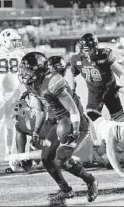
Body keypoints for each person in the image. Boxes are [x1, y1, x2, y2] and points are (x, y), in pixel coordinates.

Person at [18, 52, 98, 203]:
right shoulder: (31, 84)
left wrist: (75, 129)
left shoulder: (53, 81)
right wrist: (36, 131)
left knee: (62, 160)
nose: (25, 73)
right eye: (23, 69)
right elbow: (41, 109)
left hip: (75, 122)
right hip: (59, 122)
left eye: (28, 70)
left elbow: (73, 109)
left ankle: (91, 181)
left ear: (40, 69)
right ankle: (66, 190)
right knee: (46, 158)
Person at [69, 33, 124, 121]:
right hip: (94, 93)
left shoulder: (105, 54)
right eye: (85, 50)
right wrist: (72, 91)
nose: (87, 54)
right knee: (93, 120)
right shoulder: (76, 59)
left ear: (95, 47)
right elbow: (72, 75)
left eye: (89, 50)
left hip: (110, 91)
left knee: (119, 120)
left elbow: (121, 74)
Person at [0, 28, 26, 164]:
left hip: (14, 93)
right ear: (4, 40)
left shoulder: (20, 53)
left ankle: (9, 153)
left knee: (11, 125)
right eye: (13, 40)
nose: (16, 43)